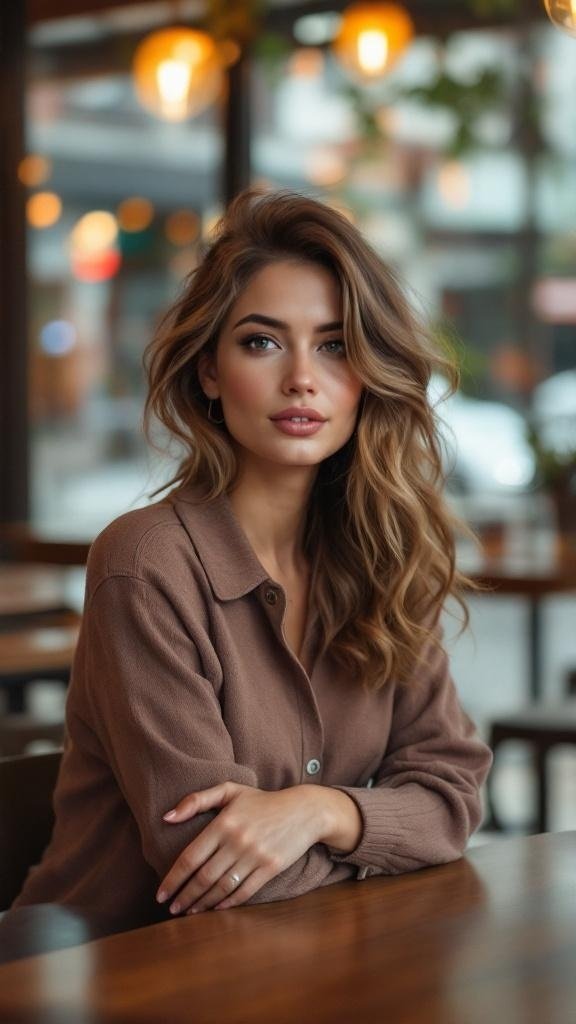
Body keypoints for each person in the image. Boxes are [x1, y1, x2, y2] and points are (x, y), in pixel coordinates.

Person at [13, 187, 492, 926]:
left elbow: (454, 798)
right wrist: (384, 827)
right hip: (101, 975)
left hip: (297, 968)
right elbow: (214, 863)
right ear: (209, 371)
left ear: (368, 375)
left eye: (334, 346)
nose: (302, 377)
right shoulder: (146, 565)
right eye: (262, 341)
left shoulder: (382, 559)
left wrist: (318, 810)